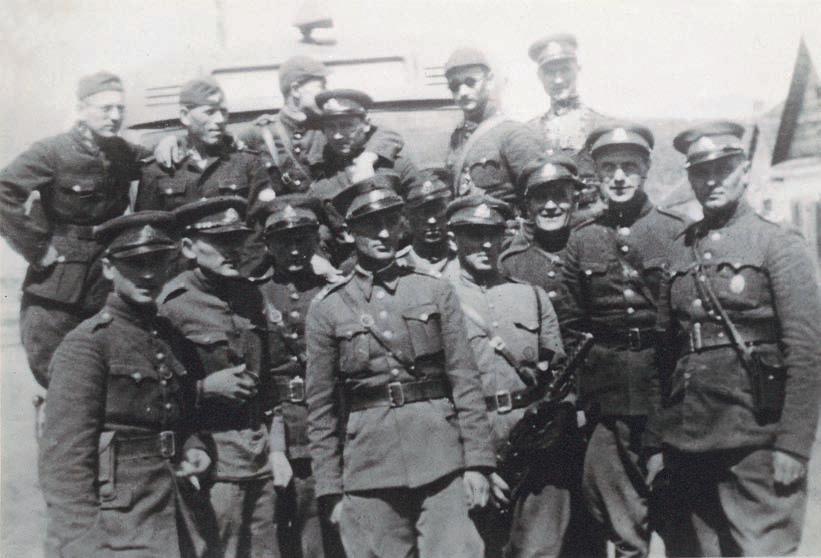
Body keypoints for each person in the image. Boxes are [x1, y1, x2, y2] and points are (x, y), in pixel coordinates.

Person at [644, 122, 821, 556]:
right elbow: (664, 356)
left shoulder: (777, 243)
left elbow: (806, 351)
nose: (712, 181)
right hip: (688, 442)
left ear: (744, 171)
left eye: (722, 170)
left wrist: (794, 445)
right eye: (701, 173)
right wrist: (655, 442)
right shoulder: (680, 250)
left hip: (755, 440)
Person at [304, 175, 498, 557]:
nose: (383, 233)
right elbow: (321, 409)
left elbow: (465, 380)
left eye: (391, 222)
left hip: (441, 457)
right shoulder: (327, 308)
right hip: (368, 468)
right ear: (349, 233)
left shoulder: (434, 290)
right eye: (370, 225)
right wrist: (330, 489)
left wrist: (477, 463)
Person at [39, 211, 215, 557]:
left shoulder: (168, 335)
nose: (148, 273)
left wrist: (194, 446)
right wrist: (83, 546)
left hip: (176, 512)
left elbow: (178, 415)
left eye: (157, 261)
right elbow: (64, 464)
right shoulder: (88, 344)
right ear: (109, 268)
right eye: (134, 263)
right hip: (119, 528)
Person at [562, 124, 684, 558]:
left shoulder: (674, 232)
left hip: (667, 388)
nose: (618, 177)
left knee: (680, 514)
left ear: (646, 169)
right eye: (608, 167)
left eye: (628, 167)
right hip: (608, 393)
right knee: (619, 518)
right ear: (595, 174)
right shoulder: (582, 238)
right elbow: (572, 324)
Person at [0, 71, 148, 388]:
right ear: (81, 109)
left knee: (114, 371)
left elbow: (156, 161)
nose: (115, 116)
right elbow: (3, 191)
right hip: (59, 281)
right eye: (105, 108)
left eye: (120, 109)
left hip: (108, 277)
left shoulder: (123, 152)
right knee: (59, 374)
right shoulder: (52, 152)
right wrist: (37, 248)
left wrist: (170, 144)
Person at [446, 194, 567, 557]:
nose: (485, 244)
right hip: (470, 445)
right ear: (454, 238)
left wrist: (548, 434)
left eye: (493, 234)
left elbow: (558, 372)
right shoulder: (438, 300)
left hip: (534, 445)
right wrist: (474, 462)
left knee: (541, 549)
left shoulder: (531, 297)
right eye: (474, 234)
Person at [499, 155, 607, 557]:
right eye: (540, 198)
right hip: (545, 410)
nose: (550, 206)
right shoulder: (512, 262)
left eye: (560, 196)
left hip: (597, 400)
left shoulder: (594, 245)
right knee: (544, 521)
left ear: (575, 199)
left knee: (595, 516)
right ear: (526, 206)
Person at [158, 197, 278, 558]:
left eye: (236, 240)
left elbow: (268, 379)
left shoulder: (248, 294)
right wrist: (204, 389)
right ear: (189, 248)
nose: (232, 250)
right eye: (220, 241)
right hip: (212, 458)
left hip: (260, 452)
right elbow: (158, 391)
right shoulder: (172, 305)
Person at [258, 194, 345, 558]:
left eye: (302, 239)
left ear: (316, 239)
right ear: (268, 245)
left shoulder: (337, 289)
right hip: (285, 427)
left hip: (334, 421)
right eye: (283, 242)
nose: (294, 250)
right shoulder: (256, 295)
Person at [135, 77, 274, 278]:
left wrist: (242, 275)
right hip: (181, 279)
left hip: (237, 273)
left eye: (223, 112)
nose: (219, 119)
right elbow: (150, 234)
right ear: (185, 116)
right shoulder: (158, 169)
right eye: (209, 112)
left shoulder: (247, 162)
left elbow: (259, 227)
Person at [309, 88, 421, 269]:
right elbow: (319, 233)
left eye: (346, 125)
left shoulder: (397, 166)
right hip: (351, 272)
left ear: (366, 124)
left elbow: (422, 214)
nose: (337, 135)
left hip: (403, 265)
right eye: (331, 127)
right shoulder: (322, 182)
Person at [444, 47, 544, 208]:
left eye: (470, 82)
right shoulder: (457, 137)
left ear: (489, 81)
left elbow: (540, 196)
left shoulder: (512, 133)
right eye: (454, 86)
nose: (462, 92)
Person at [526, 34, 609, 219]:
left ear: (578, 70)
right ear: (540, 76)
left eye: (565, 70)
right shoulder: (529, 131)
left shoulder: (601, 126)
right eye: (550, 72)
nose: (558, 80)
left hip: (595, 221)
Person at [397, 166, 461, 281]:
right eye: (423, 213)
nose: (432, 221)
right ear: (408, 217)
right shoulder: (398, 266)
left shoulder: (463, 260)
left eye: (439, 210)